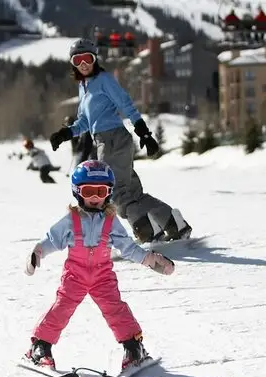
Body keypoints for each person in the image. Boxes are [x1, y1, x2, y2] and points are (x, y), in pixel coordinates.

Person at [23, 160, 175, 371]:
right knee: (62, 308)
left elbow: (127, 247)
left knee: (116, 309)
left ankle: (133, 347)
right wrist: (38, 252)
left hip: (103, 276)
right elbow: (53, 240)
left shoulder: (111, 220)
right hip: (75, 275)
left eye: (100, 191)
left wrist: (148, 259)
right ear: (78, 192)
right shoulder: (71, 219)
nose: (95, 197)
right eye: (89, 191)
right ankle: (40, 347)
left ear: (108, 193)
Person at [48, 38, 192, 243]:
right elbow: (85, 121)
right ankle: (173, 223)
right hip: (104, 141)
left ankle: (147, 231)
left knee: (114, 192)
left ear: (95, 59)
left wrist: (144, 133)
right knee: (132, 193)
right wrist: (65, 134)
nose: (83, 64)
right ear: (73, 63)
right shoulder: (84, 86)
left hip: (113, 139)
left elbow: (125, 104)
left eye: (87, 58)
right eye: (78, 60)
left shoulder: (103, 79)